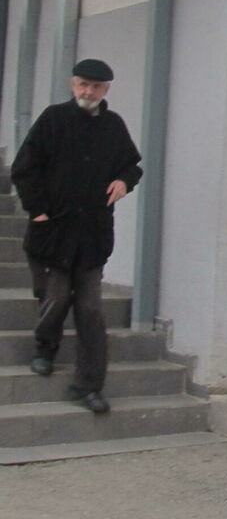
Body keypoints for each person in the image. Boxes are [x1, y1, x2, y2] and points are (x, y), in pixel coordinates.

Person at [11, 59, 143, 415]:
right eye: (83, 84)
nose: (88, 91)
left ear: (106, 90)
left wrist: (124, 181)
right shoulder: (53, 119)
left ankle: (89, 386)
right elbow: (24, 168)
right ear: (73, 84)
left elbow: (132, 165)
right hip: (52, 232)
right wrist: (38, 211)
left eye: (96, 86)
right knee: (54, 298)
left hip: (92, 236)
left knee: (91, 310)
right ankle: (45, 347)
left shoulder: (113, 126)